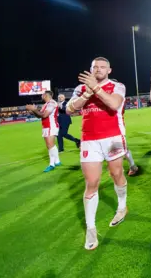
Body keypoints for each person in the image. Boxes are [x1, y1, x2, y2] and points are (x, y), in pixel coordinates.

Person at [66, 57, 128, 250]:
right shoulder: (80, 88)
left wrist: (96, 89)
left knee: (116, 173)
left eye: (102, 67)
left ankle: (122, 206)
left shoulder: (117, 86)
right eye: (95, 67)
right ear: (90, 69)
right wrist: (86, 94)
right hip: (89, 140)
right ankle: (91, 229)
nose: (98, 69)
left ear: (109, 70)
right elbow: (69, 109)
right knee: (91, 183)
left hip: (113, 138)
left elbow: (114, 104)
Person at [26, 90, 60, 172]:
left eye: (42, 94)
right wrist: (33, 111)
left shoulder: (51, 103)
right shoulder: (46, 104)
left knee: (50, 145)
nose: (41, 96)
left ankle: (52, 164)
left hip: (51, 126)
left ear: (46, 95)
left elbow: (44, 115)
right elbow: (39, 116)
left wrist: (34, 109)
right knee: (50, 145)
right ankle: (57, 161)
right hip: (46, 126)